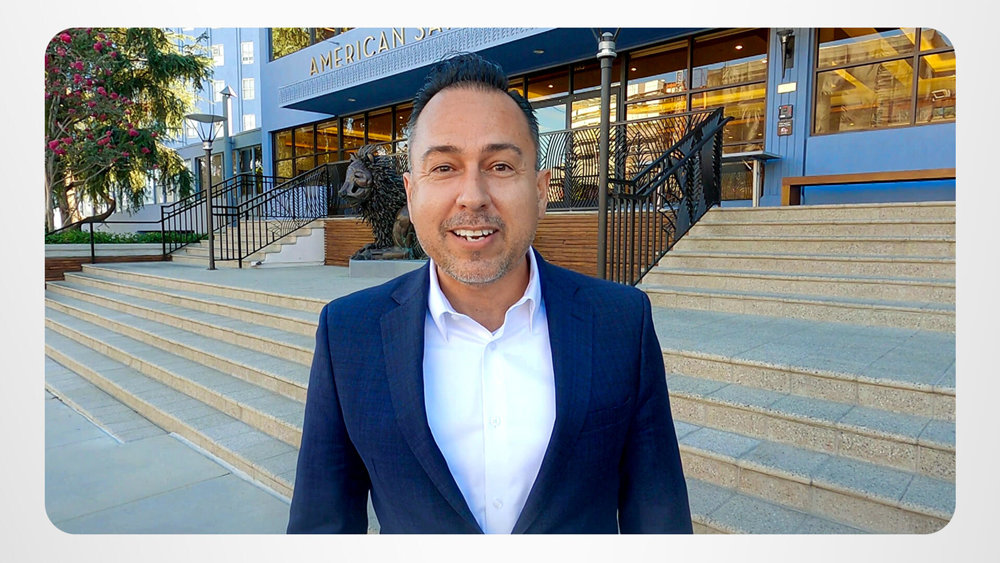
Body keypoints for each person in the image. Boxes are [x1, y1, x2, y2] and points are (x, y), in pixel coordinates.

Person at [287, 52, 692, 534]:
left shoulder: (621, 323)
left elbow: (660, 520)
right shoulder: (348, 335)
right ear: (411, 193)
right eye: (444, 168)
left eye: (500, 166)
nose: (473, 196)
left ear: (541, 190)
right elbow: (320, 529)